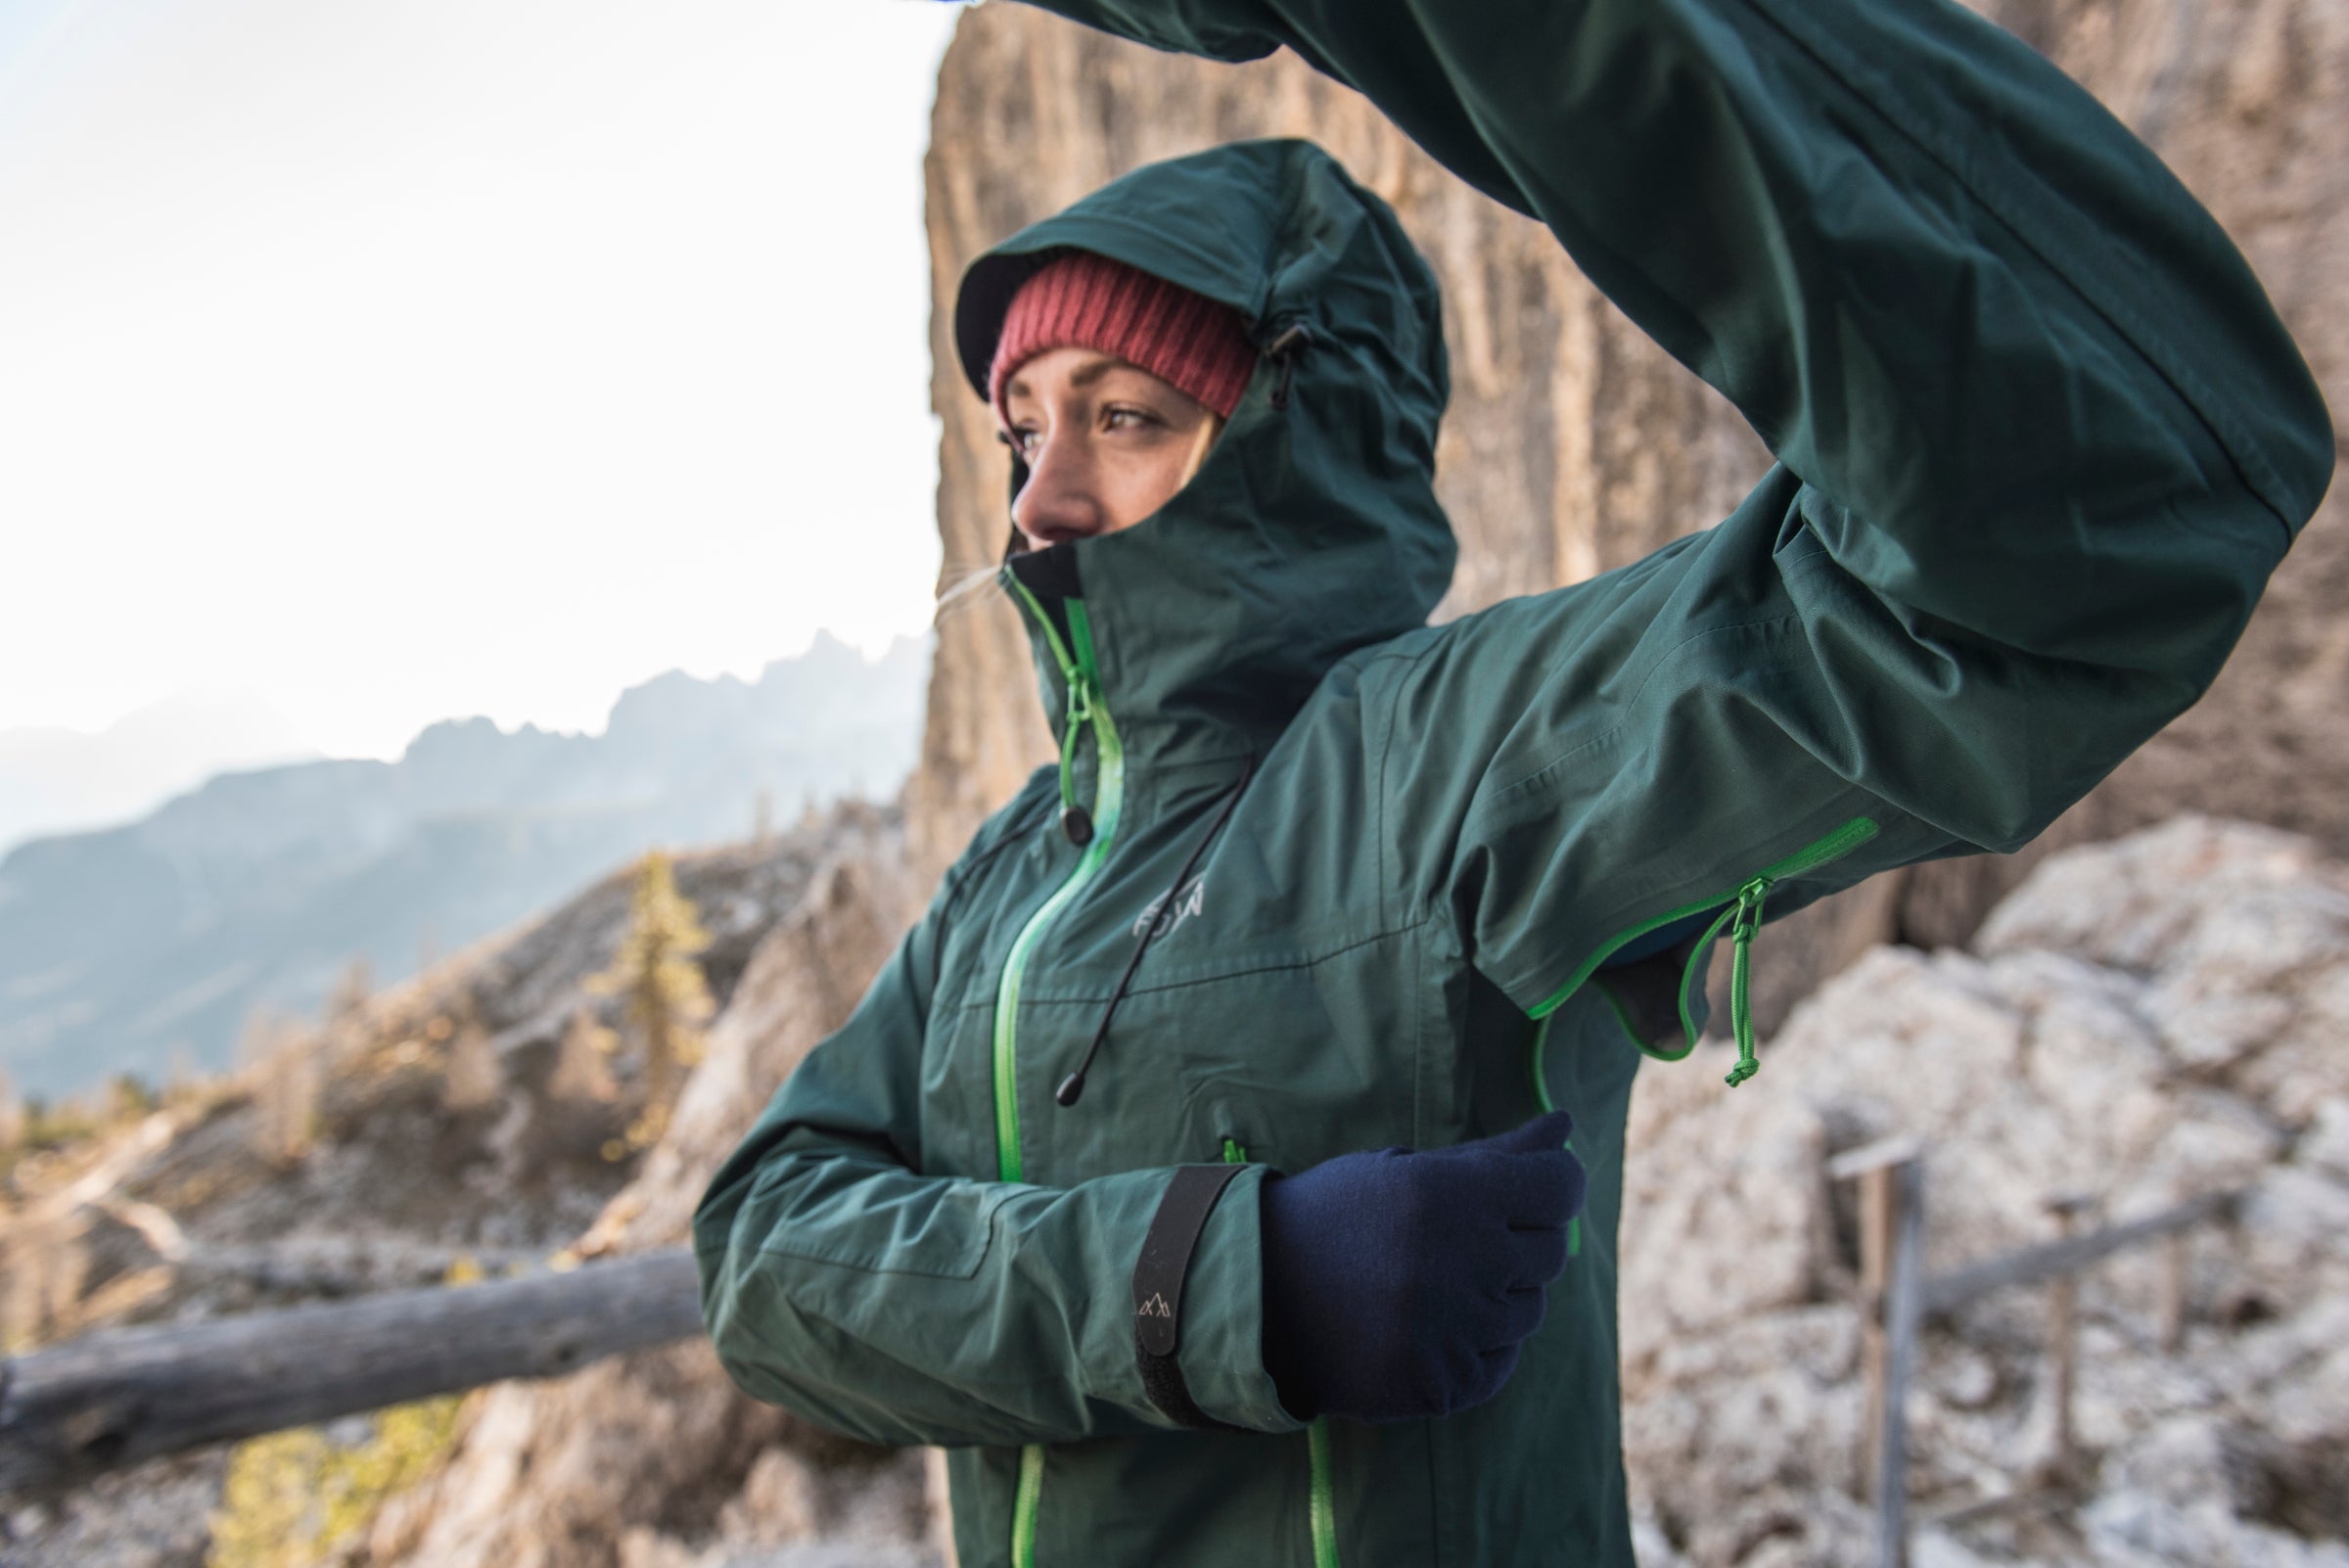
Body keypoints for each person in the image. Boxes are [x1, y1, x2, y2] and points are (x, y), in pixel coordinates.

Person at [694, 0, 2331, 1560]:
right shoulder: (1013, 875)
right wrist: (1210, 1282)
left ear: (1297, 432)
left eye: (1125, 414)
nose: (1042, 499)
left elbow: (2092, 519)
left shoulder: (1460, 753)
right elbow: (762, 1251)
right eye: (1018, 431)